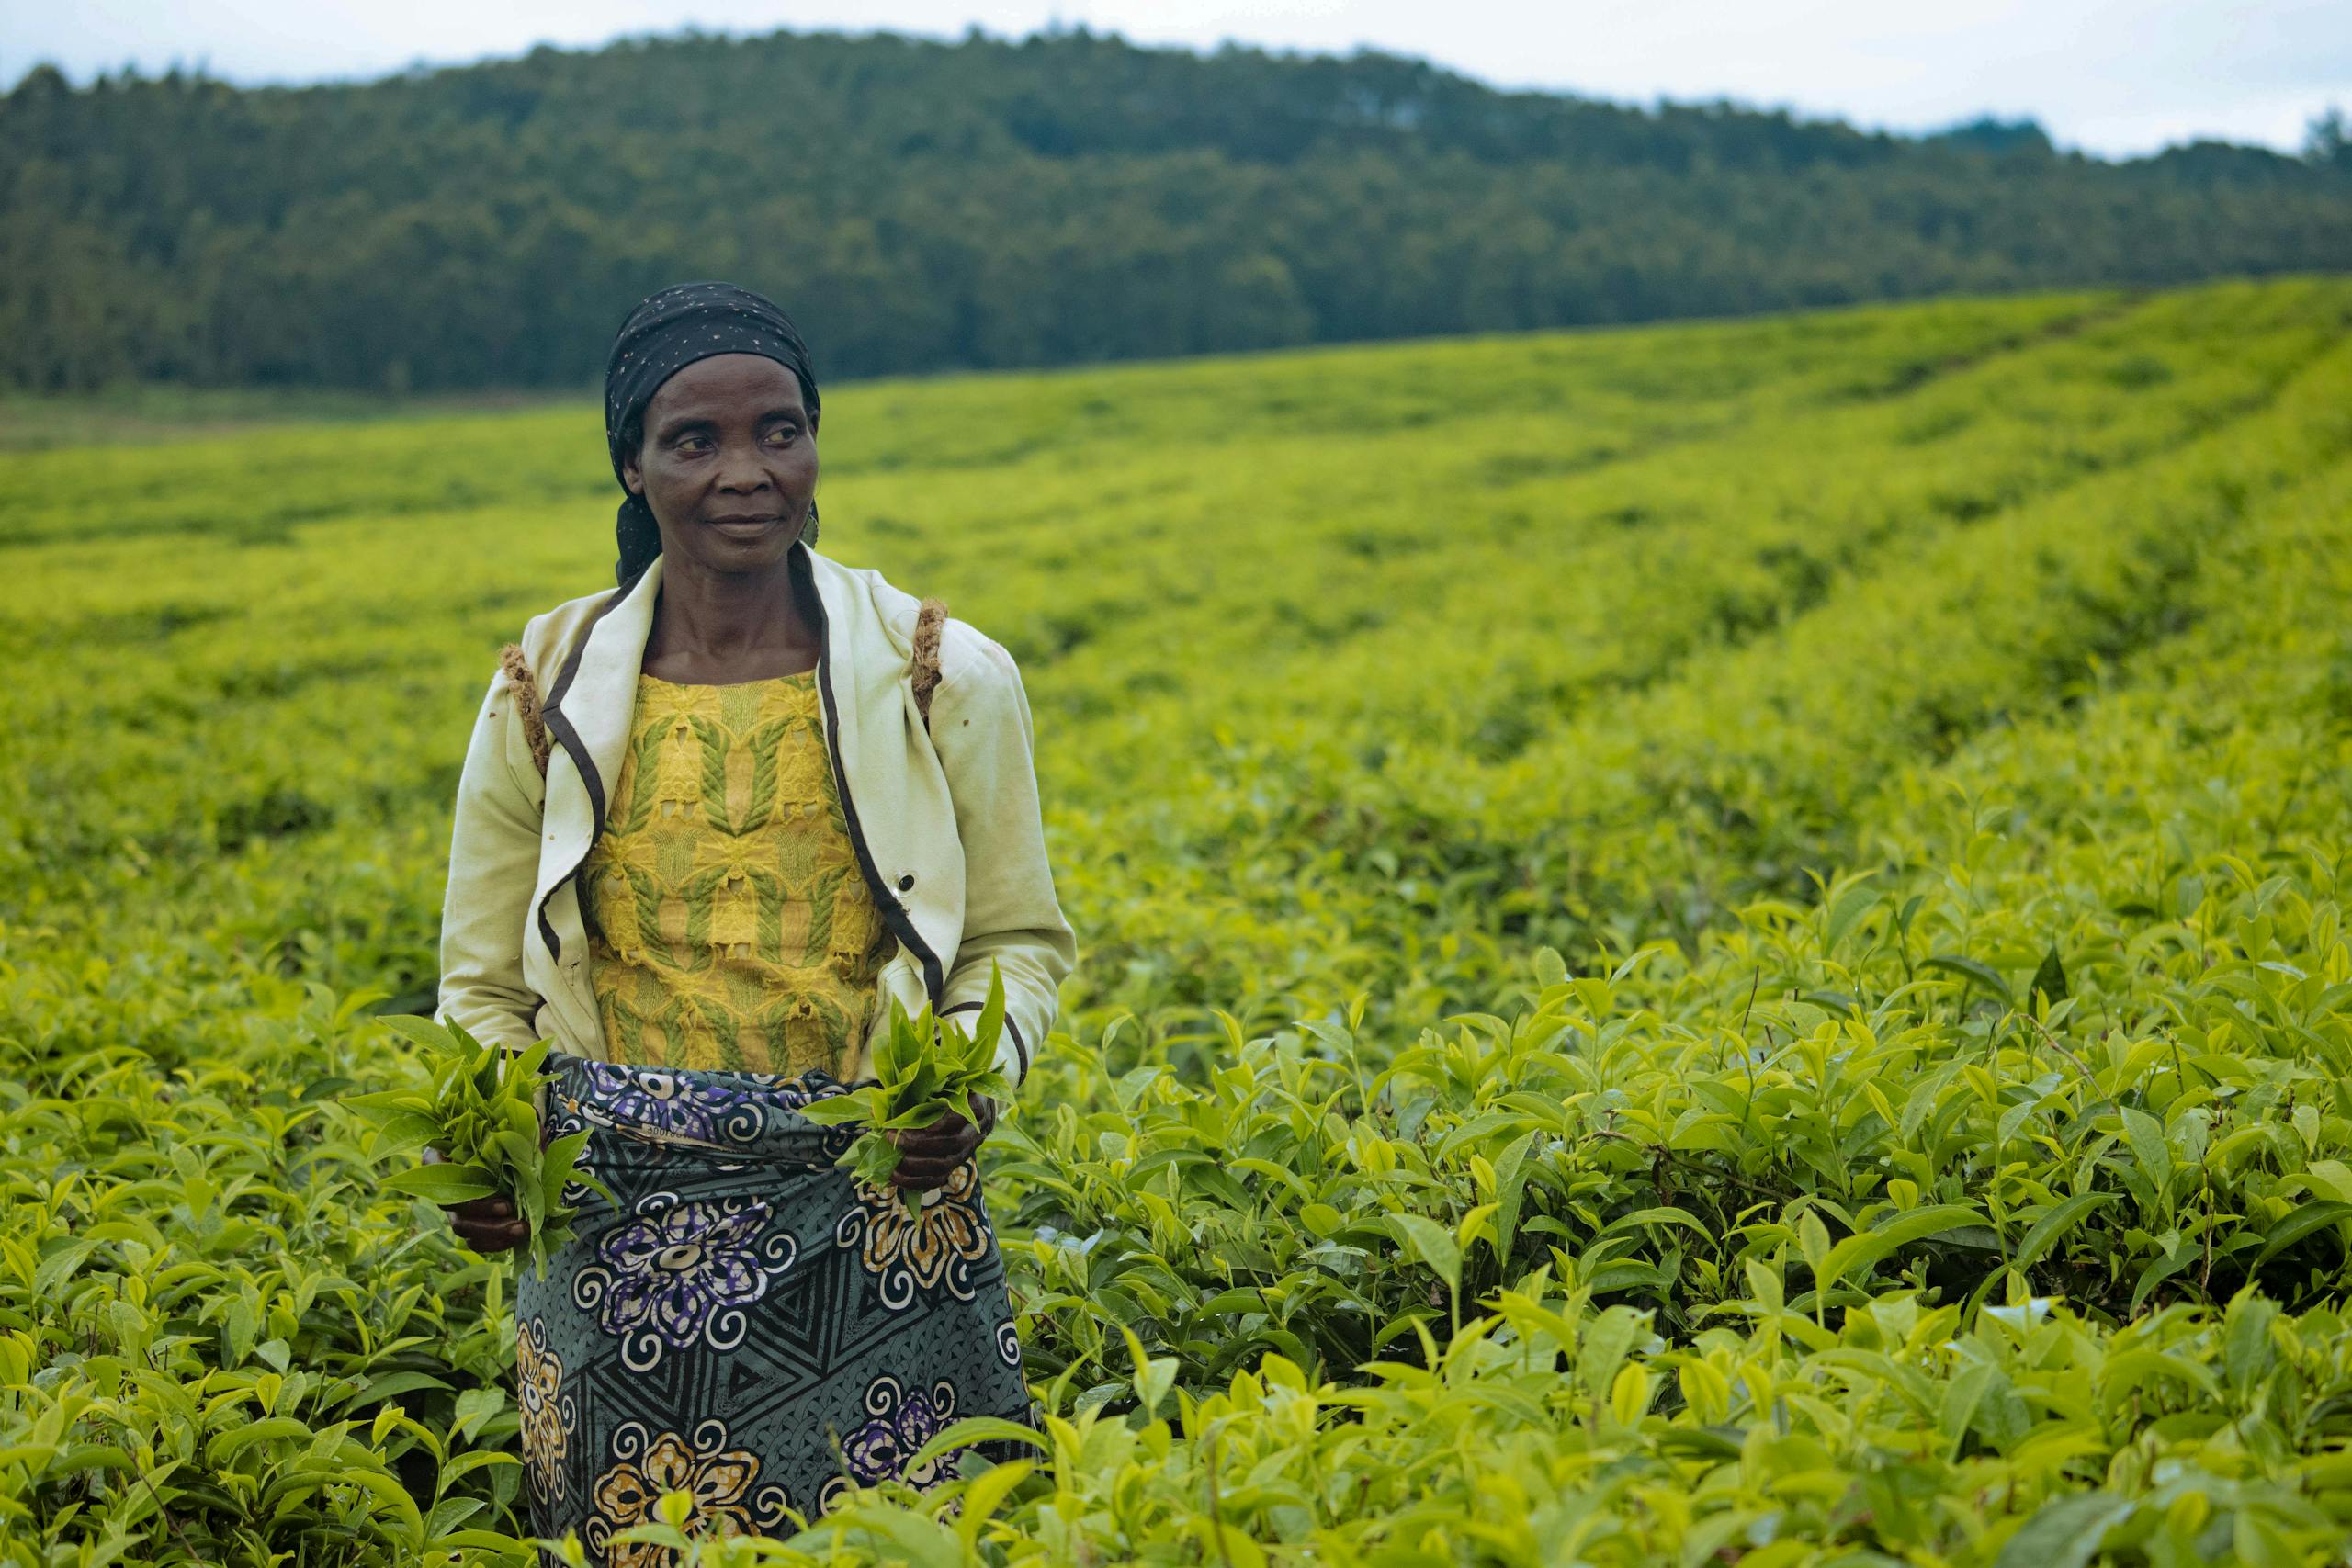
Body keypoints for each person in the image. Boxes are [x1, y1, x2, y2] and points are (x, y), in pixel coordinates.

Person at [429, 280, 1077, 1561]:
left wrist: (969, 1086)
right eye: (695, 441)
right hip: (614, 1230)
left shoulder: (943, 672)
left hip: (882, 1209)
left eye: (780, 431)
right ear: (632, 465)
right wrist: (498, 1146)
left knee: (916, 1538)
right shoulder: (541, 689)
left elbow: (1017, 942)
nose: (747, 472)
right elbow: (480, 979)